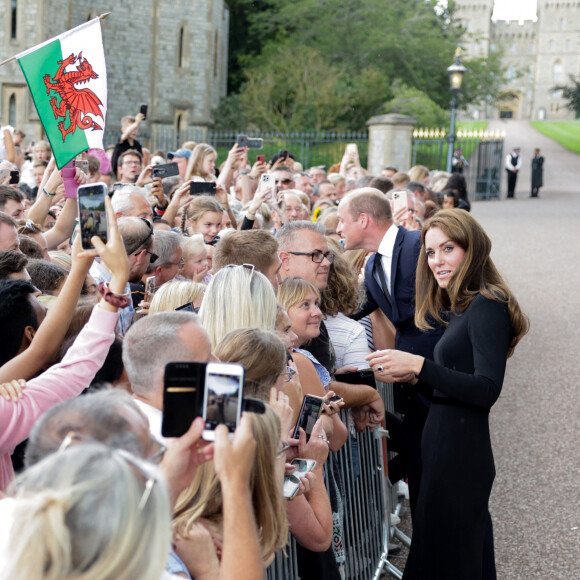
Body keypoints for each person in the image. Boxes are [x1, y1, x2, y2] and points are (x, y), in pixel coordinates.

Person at [366, 209, 529, 579]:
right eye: (430, 252)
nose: (437, 260)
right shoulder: (463, 304)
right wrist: (413, 376)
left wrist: (420, 366)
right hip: (442, 443)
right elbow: (454, 383)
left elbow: (486, 389)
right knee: (452, 559)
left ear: (472, 250)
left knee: (451, 560)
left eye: (448, 249)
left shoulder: (489, 303)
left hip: (460, 454)